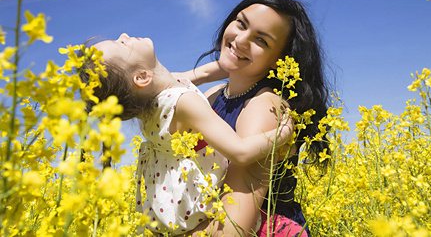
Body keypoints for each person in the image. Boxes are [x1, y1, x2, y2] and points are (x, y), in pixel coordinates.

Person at [77, 33, 295, 236]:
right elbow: (240, 152)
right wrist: (282, 134)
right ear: (142, 77)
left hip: (172, 208)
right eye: (121, 45)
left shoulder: (153, 97)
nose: (124, 36)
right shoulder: (182, 103)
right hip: (203, 208)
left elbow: (210, 71)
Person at [178, 0, 331, 237]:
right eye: (241, 23)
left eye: (261, 41)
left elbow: (233, 229)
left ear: (278, 60)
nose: (240, 40)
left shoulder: (266, 108)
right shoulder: (214, 94)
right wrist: (201, 75)